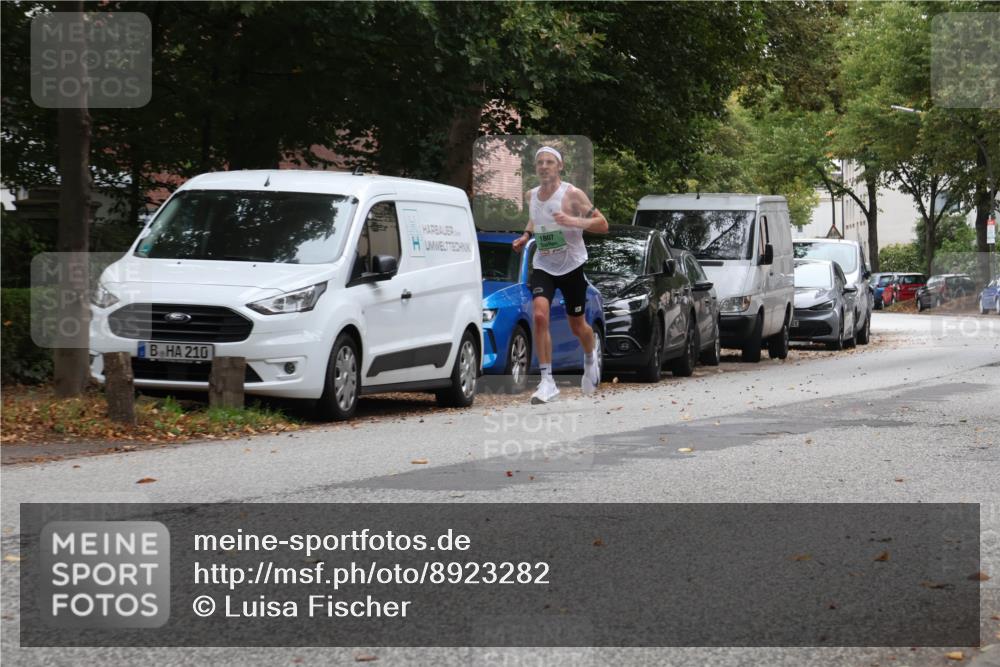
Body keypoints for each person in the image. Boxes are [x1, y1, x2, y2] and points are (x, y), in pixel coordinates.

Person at [512, 146, 608, 404]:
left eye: (549, 162)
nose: (544, 166)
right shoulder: (531, 195)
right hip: (544, 265)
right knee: (539, 315)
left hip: (571, 266)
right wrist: (526, 236)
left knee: (577, 325)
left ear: (560, 166)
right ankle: (547, 382)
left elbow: (602, 224)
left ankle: (589, 357)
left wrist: (574, 221)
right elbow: (536, 219)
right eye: (540, 162)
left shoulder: (573, 194)